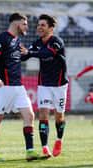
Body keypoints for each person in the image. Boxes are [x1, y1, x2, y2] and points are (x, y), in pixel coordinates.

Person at [0, 12, 39, 162]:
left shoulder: (18, 40)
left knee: (29, 115)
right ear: (16, 24)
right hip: (4, 86)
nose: (26, 27)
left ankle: (30, 151)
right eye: (24, 24)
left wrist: (29, 53)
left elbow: (17, 57)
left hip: (18, 86)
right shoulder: (3, 38)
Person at [20, 14, 69, 157]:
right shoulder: (37, 42)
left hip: (60, 85)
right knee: (43, 115)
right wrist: (19, 51)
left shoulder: (57, 41)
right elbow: (25, 56)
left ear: (51, 28)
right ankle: (45, 147)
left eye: (43, 25)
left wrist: (30, 52)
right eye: (38, 25)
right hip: (44, 84)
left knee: (59, 116)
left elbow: (48, 53)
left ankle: (59, 140)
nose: (39, 27)